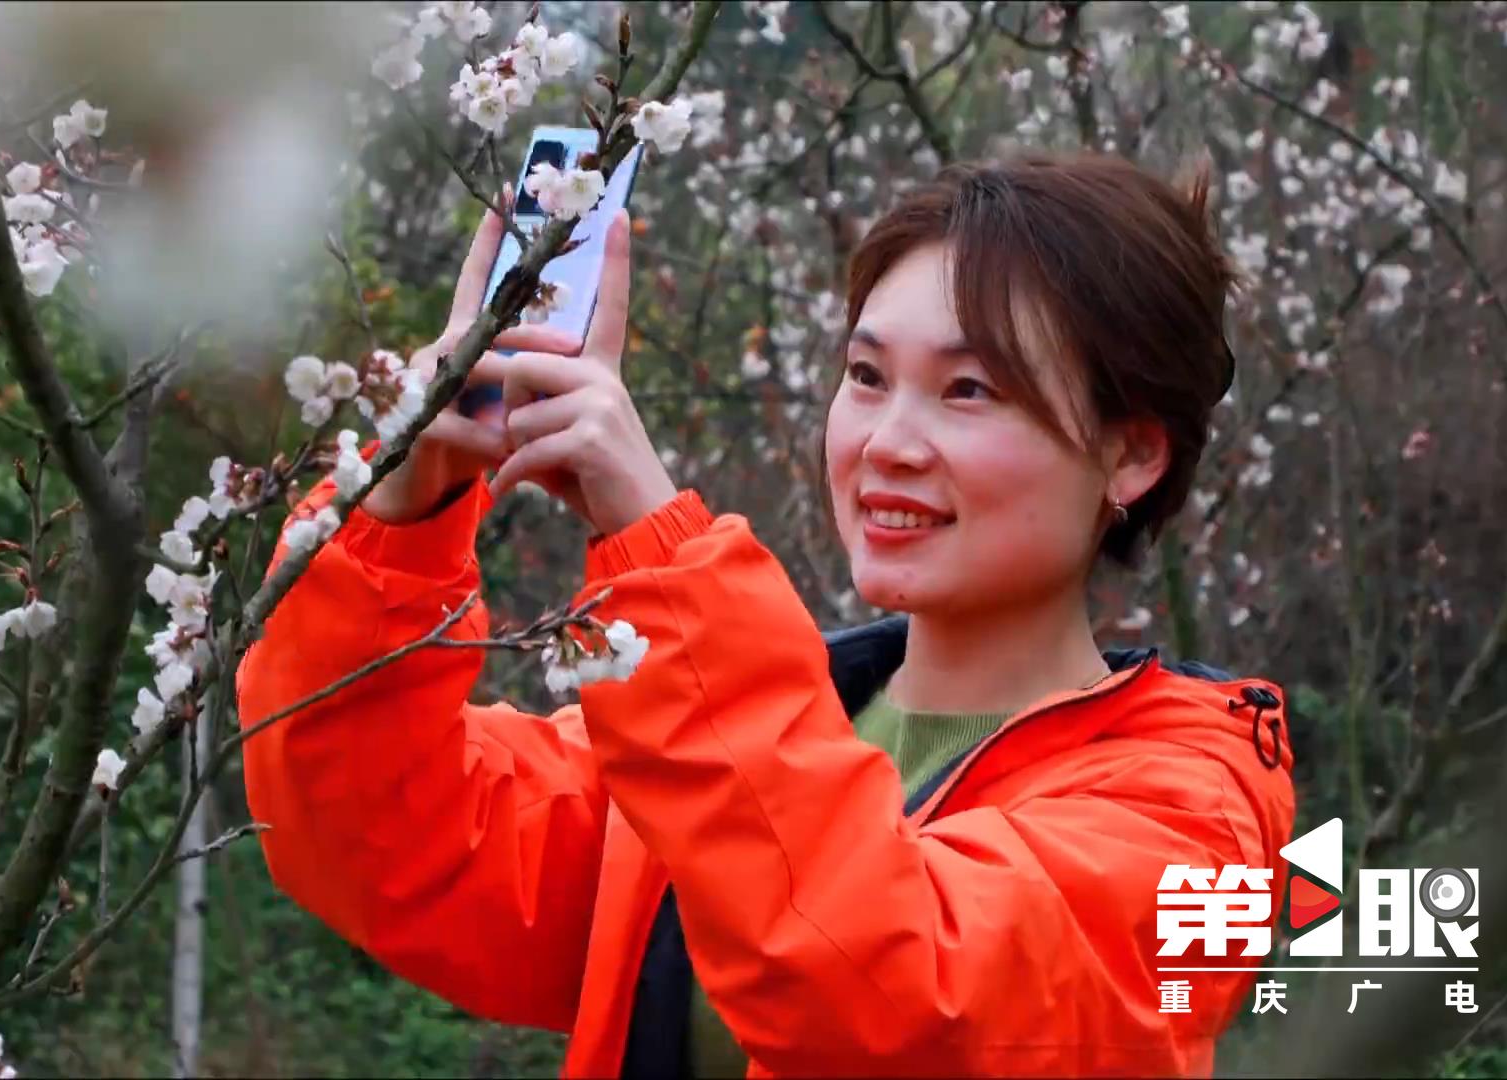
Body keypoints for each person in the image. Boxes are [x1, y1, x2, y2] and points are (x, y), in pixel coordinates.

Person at [237, 153, 1298, 1078]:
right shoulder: (756, 733)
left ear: (1133, 451)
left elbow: (885, 996)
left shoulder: (1187, 822)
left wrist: (656, 541)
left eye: (968, 390)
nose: (889, 440)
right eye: (867, 375)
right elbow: (385, 838)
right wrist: (403, 497)